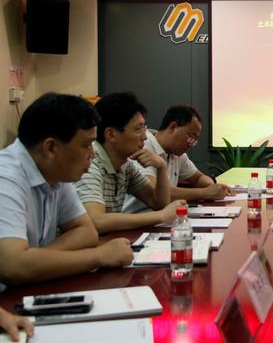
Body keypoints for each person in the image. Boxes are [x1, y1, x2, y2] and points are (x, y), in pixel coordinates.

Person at [0, 93, 133, 289]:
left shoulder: (55, 170)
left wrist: (35, 260)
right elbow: (12, 266)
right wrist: (100, 255)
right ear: (51, 148)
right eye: (86, 144)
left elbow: (87, 232)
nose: (93, 154)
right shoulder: (6, 177)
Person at [74, 93, 185, 234]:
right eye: (138, 129)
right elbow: (96, 221)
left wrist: (161, 167)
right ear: (111, 134)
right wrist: (161, 216)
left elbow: (157, 202)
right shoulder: (90, 163)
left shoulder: (125, 165)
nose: (144, 137)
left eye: (144, 128)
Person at [122, 105, 235, 213]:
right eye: (190, 137)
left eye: (195, 140)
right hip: (137, 220)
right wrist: (204, 193)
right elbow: (153, 190)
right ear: (172, 127)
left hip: (163, 218)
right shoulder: (143, 145)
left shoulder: (177, 153)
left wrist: (212, 186)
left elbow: (197, 178)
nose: (191, 144)